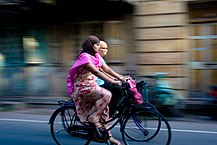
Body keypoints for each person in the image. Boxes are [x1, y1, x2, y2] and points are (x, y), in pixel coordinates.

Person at [66, 35, 128, 145]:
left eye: (100, 45)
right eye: (97, 45)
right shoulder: (85, 57)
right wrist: (113, 82)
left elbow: (106, 69)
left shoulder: (96, 56)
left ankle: (109, 137)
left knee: (105, 113)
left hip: (92, 86)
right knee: (107, 94)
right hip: (83, 87)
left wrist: (121, 77)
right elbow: (97, 72)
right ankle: (93, 117)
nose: (99, 47)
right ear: (91, 45)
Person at [97, 40, 126, 115]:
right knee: (117, 90)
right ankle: (110, 110)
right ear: (98, 48)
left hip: (102, 81)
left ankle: (109, 108)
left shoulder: (101, 59)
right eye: (104, 48)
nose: (106, 50)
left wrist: (117, 78)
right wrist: (116, 79)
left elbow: (106, 71)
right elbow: (102, 72)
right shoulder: (96, 58)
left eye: (106, 48)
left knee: (119, 89)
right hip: (97, 83)